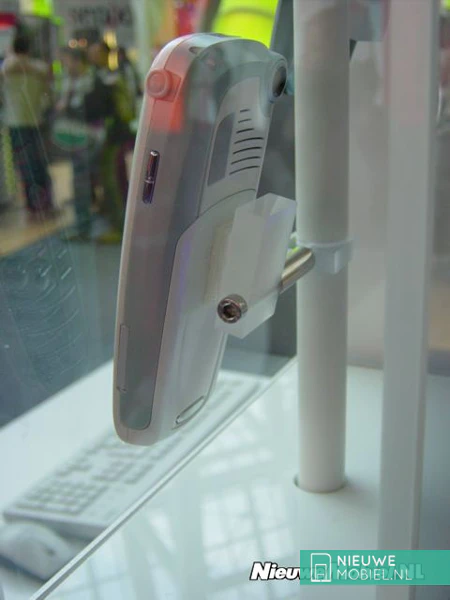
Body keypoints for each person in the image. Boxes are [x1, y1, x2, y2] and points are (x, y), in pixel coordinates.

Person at [1, 34, 55, 219]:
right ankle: (46, 203)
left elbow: (9, 71)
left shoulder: (8, 67)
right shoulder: (39, 68)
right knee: (40, 162)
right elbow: (49, 90)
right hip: (36, 120)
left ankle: (33, 205)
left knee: (25, 166)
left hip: (16, 123)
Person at [54, 47, 105, 241]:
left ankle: (84, 226)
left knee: (82, 179)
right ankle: (86, 223)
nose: (64, 66)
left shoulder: (90, 81)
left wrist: (66, 105)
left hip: (89, 136)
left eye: (66, 61)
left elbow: (85, 108)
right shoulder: (71, 80)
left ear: (77, 61)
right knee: (83, 178)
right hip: (79, 136)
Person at [87, 41, 134, 243]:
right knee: (111, 178)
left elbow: (119, 109)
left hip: (114, 136)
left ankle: (120, 226)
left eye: (96, 52)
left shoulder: (110, 78)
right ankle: (117, 221)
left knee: (114, 179)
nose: (92, 56)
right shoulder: (104, 76)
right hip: (111, 135)